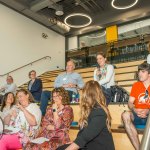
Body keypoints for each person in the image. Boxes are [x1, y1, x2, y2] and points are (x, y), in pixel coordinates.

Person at [57, 80, 115, 150]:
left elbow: (84, 137)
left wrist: (75, 144)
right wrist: (75, 142)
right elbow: (83, 134)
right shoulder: (90, 111)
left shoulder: (100, 113)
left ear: (86, 95)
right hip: (89, 146)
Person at [121, 62, 150, 150]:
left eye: (143, 71)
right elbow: (130, 102)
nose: (139, 74)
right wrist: (134, 109)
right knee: (125, 115)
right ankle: (139, 148)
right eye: (139, 71)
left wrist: (148, 110)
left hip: (149, 115)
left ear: (149, 74)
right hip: (137, 114)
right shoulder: (136, 85)